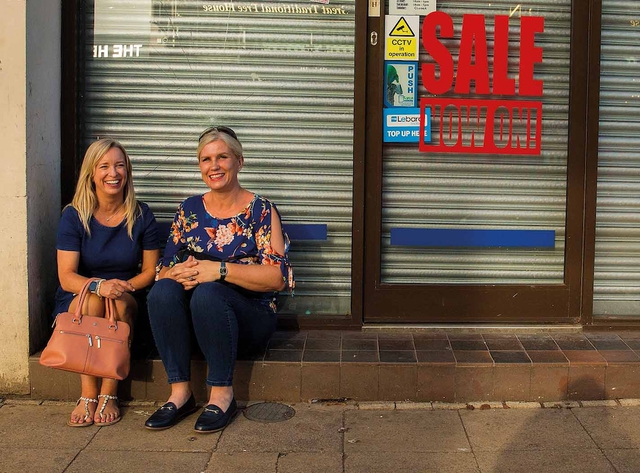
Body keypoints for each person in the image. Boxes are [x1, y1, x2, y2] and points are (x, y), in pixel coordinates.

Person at [144, 126, 294, 433]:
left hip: (250, 318)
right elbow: (162, 268)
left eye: (222, 157)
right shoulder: (188, 210)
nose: (214, 166)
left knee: (209, 293)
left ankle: (222, 396)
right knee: (162, 292)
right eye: (206, 159)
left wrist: (220, 270)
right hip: (200, 322)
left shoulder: (260, 210)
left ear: (239, 161)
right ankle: (180, 394)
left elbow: (277, 278)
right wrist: (175, 273)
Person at [53, 138, 160, 427]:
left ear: (128, 172)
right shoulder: (73, 216)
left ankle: (109, 392)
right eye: (104, 166)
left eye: (120, 166)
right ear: (91, 173)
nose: (113, 173)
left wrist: (121, 287)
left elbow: (150, 271)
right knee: (94, 299)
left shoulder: (141, 214)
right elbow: (66, 276)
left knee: (114, 301)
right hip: (81, 295)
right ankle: (88, 393)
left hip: (127, 296)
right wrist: (100, 286)